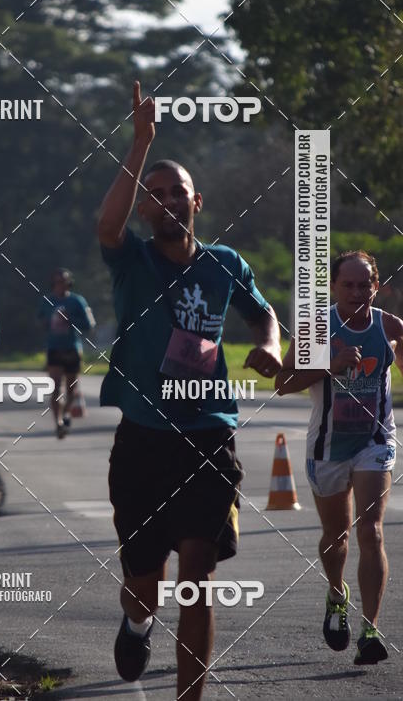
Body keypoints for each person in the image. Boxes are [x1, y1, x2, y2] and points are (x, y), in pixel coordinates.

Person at [98, 81, 282, 699]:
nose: (171, 198)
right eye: (158, 192)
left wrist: (274, 345)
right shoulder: (132, 262)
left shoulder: (224, 262)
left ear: (198, 200)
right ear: (146, 209)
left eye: (180, 190)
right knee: (146, 580)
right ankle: (136, 618)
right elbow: (106, 221)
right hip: (144, 442)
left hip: (209, 436)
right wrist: (141, 143)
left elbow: (263, 315)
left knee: (197, 580)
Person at [276, 250, 402, 665]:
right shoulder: (316, 329)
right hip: (327, 447)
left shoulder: (389, 327)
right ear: (333, 287)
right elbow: (283, 383)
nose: (356, 291)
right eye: (347, 284)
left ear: (376, 285)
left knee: (372, 531)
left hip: (374, 442)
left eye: (364, 284)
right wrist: (328, 363)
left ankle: (370, 629)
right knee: (337, 538)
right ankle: (336, 594)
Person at [38, 268, 96, 438]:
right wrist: (48, 322)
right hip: (54, 348)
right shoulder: (47, 301)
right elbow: (40, 321)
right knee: (55, 387)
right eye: (57, 282)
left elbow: (89, 325)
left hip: (72, 348)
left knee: (71, 388)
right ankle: (58, 422)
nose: (60, 285)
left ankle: (66, 413)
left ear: (69, 283)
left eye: (63, 281)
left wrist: (71, 320)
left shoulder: (77, 301)